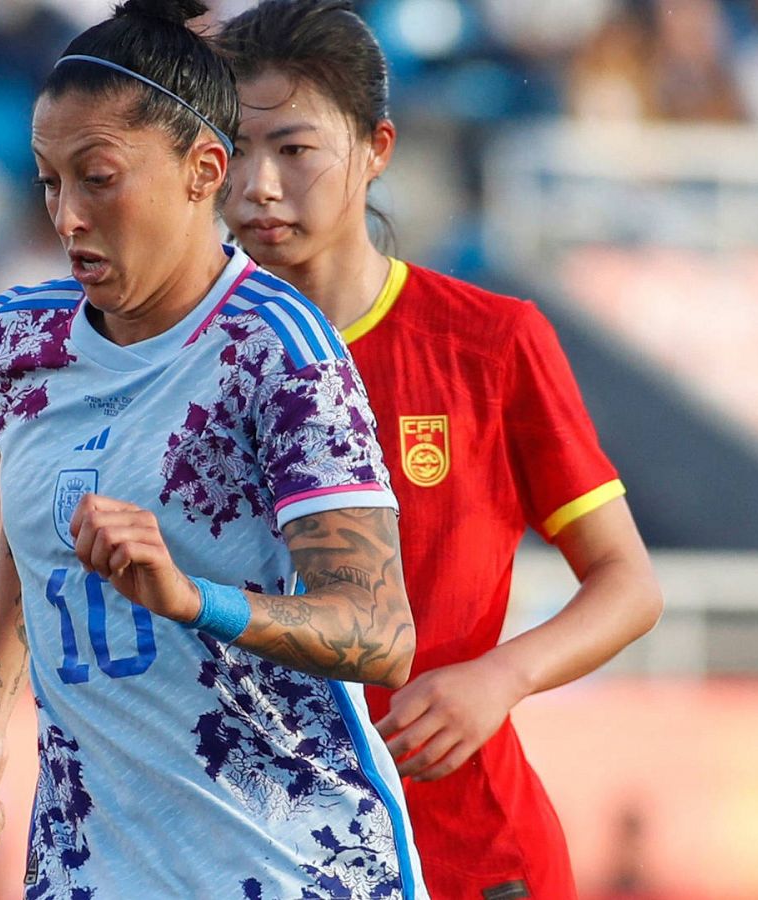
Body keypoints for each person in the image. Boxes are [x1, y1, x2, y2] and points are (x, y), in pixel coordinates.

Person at [0, 1, 428, 896]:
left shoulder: (278, 351)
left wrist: (192, 599)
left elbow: (381, 633)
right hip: (91, 865)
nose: (68, 216)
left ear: (204, 170)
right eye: (49, 182)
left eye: (99, 178)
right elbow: (31, 528)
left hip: (285, 864)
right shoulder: (13, 344)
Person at [216, 3, 664, 897]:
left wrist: (500, 677)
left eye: (296, 150)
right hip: (249, 851)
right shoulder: (179, 356)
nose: (261, 185)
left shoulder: (490, 343)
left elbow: (628, 583)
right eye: (237, 150)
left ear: (377, 148)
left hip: (473, 854)